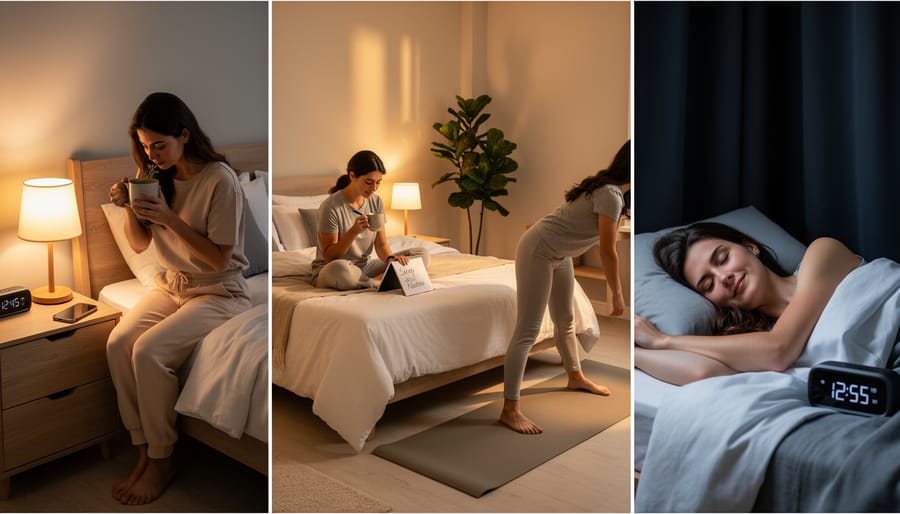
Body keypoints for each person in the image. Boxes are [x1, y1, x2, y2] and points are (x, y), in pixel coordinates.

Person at [106, 92, 252, 505]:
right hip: (173, 284)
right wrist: (129, 209)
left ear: (184, 135)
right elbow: (138, 246)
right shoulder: (153, 173)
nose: (151, 154)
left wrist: (169, 217)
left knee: (148, 352)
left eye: (159, 145)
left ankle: (162, 457)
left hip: (220, 290)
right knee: (119, 343)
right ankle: (143, 450)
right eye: (144, 145)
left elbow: (219, 257)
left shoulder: (219, 180)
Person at [500, 140, 630, 434]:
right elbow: (608, 251)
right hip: (539, 249)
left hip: (560, 253)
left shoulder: (617, 193)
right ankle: (510, 409)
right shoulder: (610, 193)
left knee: (566, 319)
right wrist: (618, 293)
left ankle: (575, 376)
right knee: (528, 329)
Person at [635, 222, 861, 385]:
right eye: (708, 284)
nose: (723, 277)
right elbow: (702, 373)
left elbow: (778, 350)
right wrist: (636, 354)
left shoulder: (822, 253)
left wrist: (663, 340)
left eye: (723, 259)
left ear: (751, 247)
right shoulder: (750, 343)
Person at [310, 150, 428, 290]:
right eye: (369, 182)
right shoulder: (330, 207)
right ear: (352, 176)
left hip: (364, 267)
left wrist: (390, 259)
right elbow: (330, 257)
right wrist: (352, 232)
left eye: (378, 182)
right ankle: (376, 282)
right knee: (340, 269)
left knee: (422, 254)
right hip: (333, 269)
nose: (374, 188)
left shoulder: (376, 201)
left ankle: (378, 278)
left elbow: (381, 244)